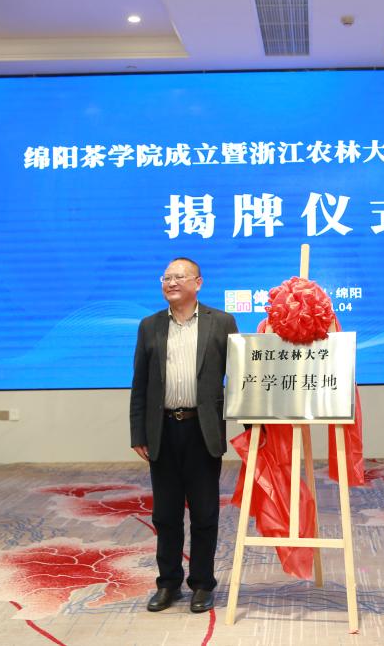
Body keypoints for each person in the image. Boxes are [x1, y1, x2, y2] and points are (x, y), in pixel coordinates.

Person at [129, 257, 238, 614]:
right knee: (165, 514)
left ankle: (202, 584)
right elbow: (140, 383)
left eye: (179, 277)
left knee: (205, 513)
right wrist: (138, 431)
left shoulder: (221, 322)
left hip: (202, 429)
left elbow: (239, 377)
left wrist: (252, 424)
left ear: (198, 283)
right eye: (166, 277)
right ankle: (168, 583)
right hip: (162, 429)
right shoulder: (150, 325)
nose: (171, 282)